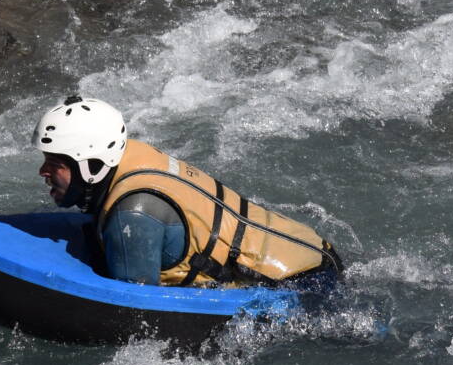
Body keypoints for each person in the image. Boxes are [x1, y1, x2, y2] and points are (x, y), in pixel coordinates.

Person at [33, 95, 343, 290]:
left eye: (55, 164)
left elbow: (134, 314)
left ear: (93, 164)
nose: (43, 173)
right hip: (314, 254)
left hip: (301, 290)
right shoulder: (130, 157)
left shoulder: (133, 216)